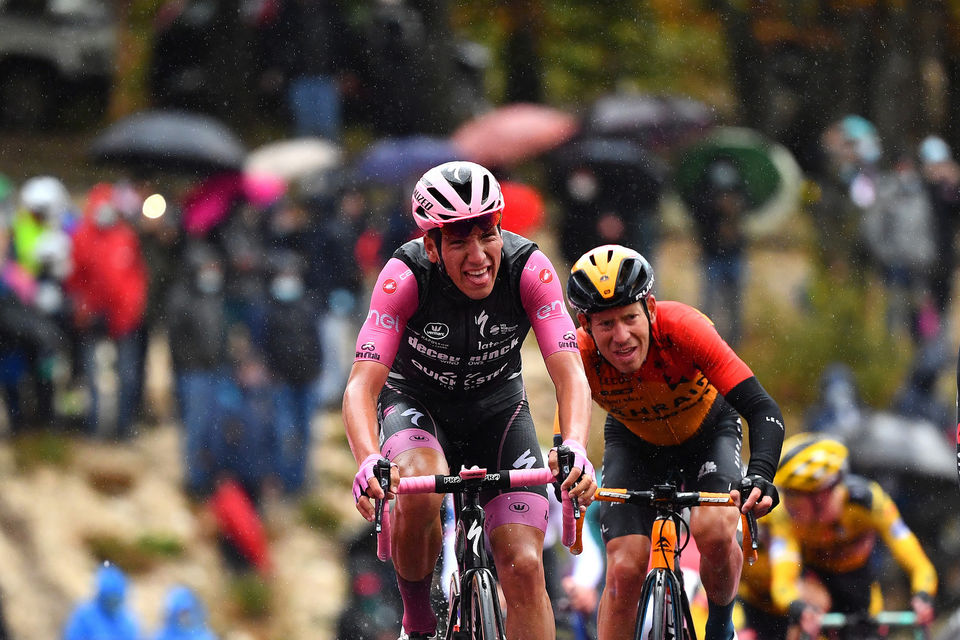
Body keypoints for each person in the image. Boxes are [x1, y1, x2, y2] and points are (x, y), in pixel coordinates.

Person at [343, 161, 597, 640]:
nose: (479, 255)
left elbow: (570, 372)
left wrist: (576, 445)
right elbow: (361, 385)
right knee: (420, 488)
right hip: (418, 405)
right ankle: (417, 622)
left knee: (524, 565)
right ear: (432, 247)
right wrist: (368, 460)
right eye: (459, 240)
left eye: (488, 234)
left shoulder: (529, 269)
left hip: (498, 411)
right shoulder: (405, 275)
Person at [564, 244, 786, 640]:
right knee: (624, 569)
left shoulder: (684, 327)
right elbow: (567, 430)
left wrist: (761, 476)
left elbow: (763, 409)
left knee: (716, 532)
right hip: (633, 443)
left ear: (649, 307)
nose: (621, 337)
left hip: (709, 432)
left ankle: (720, 627)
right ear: (585, 324)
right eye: (605, 324)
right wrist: (570, 465)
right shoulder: (577, 355)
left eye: (630, 318)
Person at [774, 433, 937, 633]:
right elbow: (782, 582)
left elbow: (919, 565)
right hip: (816, 591)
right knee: (808, 609)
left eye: (793, 498)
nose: (788, 507)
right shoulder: (783, 518)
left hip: (862, 593)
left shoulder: (869, 503)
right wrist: (796, 607)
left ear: (821, 495)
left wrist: (923, 595)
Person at [63, 563, 142, 640]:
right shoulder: (85, 616)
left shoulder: (128, 623)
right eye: (109, 599)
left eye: (117, 599)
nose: (113, 603)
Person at [152, 585, 217, 640]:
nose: (184, 618)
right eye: (180, 614)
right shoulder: (163, 636)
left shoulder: (204, 636)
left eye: (186, 612)